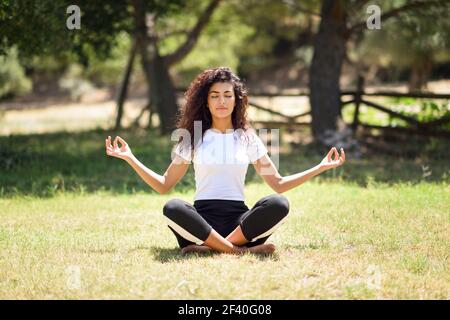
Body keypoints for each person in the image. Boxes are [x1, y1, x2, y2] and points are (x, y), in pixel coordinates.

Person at [105, 67, 345, 255]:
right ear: (206, 101)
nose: (222, 101)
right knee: (173, 207)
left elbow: (278, 183)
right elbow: (164, 184)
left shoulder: (249, 138)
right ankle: (236, 252)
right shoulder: (192, 138)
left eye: (227, 95)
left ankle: (215, 248)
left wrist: (321, 167)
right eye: (215, 96)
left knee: (279, 203)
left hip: (239, 223)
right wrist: (130, 158)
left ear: (236, 99)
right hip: (202, 222)